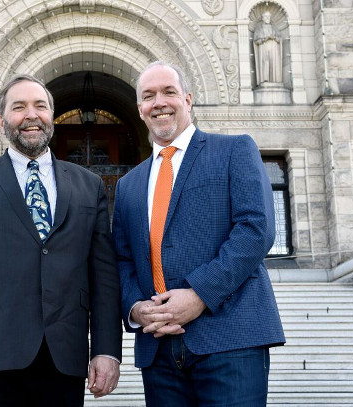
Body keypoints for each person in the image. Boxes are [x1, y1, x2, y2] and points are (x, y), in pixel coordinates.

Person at [0, 75, 122, 406]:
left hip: (63, 362)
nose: (31, 115)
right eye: (19, 107)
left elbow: (103, 276)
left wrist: (106, 351)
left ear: (52, 116)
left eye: (40, 106)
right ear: (2, 120)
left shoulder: (89, 185)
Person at [112, 61, 285, 406]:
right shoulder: (128, 185)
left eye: (169, 92)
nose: (159, 102)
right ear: (140, 110)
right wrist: (136, 308)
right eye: (148, 96)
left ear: (188, 99)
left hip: (230, 337)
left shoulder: (234, 149)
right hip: (158, 349)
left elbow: (256, 229)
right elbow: (122, 257)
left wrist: (198, 295)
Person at [253, 11, 283, 85]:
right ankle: (264, 79)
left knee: (274, 62)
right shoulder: (259, 28)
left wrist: (274, 37)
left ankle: (275, 80)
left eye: (268, 16)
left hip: (273, 46)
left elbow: (279, 39)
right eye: (265, 16)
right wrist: (264, 39)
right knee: (264, 62)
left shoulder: (274, 27)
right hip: (263, 46)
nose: (267, 18)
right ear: (262, 18)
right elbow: (256, 40)